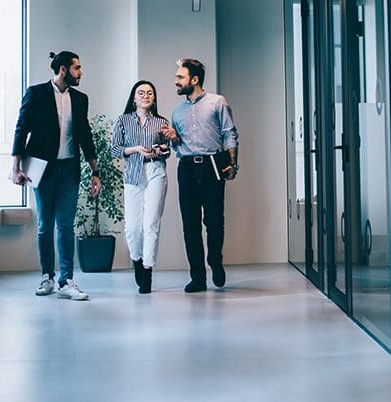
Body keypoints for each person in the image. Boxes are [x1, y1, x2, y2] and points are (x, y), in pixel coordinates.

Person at [12, 51, 101, 301]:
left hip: (69, 170)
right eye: (77, 68)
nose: (81, 73)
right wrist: (15, 166)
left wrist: (95, 171)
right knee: (44, 225)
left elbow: (85, 135)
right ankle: (47, 277)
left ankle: (66, 281)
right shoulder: (36, 93)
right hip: (42, 169)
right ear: (63, 69)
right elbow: (21, 128)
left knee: (65, 225)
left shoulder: (81, 99)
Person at [159, 59, 239, 293]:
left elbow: (229, 132)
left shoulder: (218, 102)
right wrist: (173, 139)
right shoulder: (177, 110)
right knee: (190, 225)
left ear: (194, 80)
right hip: (186, 167)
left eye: (180, 77)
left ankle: (215, 260)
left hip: (213, 163)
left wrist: (233, 163)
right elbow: (177, 145)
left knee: (214, 222)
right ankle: (197, 277)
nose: (176, 81)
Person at [111, 80, 170, 294]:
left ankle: (147, 270)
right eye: (141, 93)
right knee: (133, 228)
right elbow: (115, 149)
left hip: (155, 170)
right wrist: (136, 148)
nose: (146, 96)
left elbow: (168, 150)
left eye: (150, 93)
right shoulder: (123, 121)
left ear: (154, 98)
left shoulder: (162, 122)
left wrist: (162, 148)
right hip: (133, 173)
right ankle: (137, 260)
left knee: (151, 224)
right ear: (134, 98)